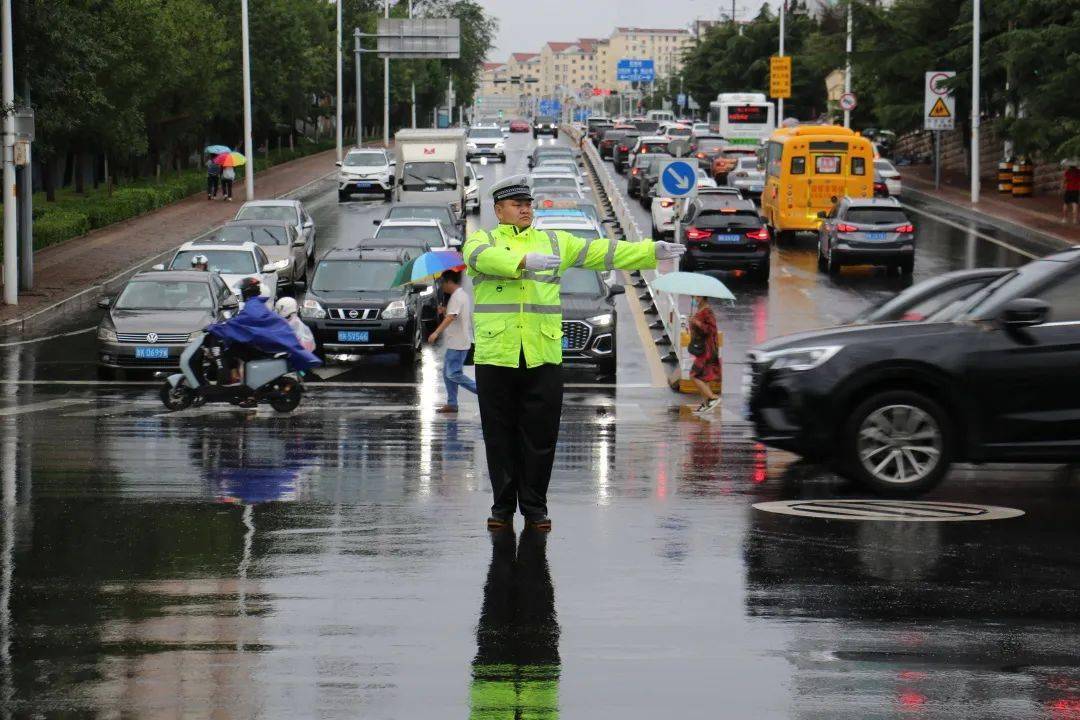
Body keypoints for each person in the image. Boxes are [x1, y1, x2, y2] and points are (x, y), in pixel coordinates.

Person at [462, 174, 685, 532]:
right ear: (498, 209)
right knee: (499, 436)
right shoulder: (482, 240)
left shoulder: (554, 241)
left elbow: (602, 252)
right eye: (517, 205)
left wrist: (648, 251)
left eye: (528, 204)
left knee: (541, 436)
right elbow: (479, 258)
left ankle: (535, 507)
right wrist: (521, 262)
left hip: (544, 356)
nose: (525, 209)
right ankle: (502, 507)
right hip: (497, 356)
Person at [208, 278, 321, 402]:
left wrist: (214, 328)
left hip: (264, 346)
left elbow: (238, 324)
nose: (241, 295)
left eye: (242, 292)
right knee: (236, 349)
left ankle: (240, 389)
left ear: (247, 292)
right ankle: (240, 385)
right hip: (266, 344)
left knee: (232, 351)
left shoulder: (252, 307)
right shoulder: (256, 305)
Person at [426, 268, 477, 413]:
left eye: (443, 283)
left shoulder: (457, 297)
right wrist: (444, 310)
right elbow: (452, 315)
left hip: (458, 343)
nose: (442, 286)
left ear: (449, 282)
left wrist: (436, 332)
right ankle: (452, 403)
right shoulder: (460, 296)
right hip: (455, 342)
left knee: (453, 374)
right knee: (447, 373)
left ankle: (484, 393)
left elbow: (451, 318)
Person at [687, 295, 721, 415]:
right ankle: (706, 402)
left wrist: (696, 322)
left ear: (702, 297)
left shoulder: (707, 311)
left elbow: (712, 330)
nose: (694, 298)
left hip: (707, 349)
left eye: (696, 296)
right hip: (702, 348)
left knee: (694, 375)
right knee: (703, 377)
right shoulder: (700, 310)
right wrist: (691, 323)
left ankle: (712, 397)